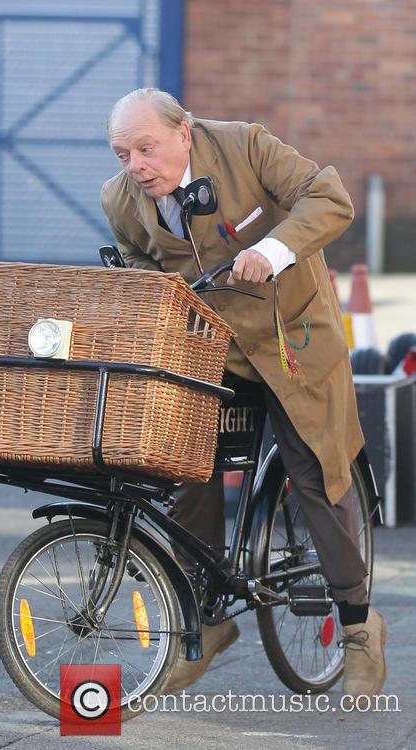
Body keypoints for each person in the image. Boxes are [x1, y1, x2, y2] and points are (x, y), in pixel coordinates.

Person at [100, 88, 387, 707]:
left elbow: (328, 198)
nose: (135, 165)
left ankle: (361, 630)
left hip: (293, 338)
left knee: (314, 472)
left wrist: (272, 249)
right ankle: (207, 613)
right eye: (122, 153)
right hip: (216, 347)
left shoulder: (247, 147)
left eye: (145, 148)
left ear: (184, 132)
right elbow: (140, 273)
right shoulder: (120, 200)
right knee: (180, 460)